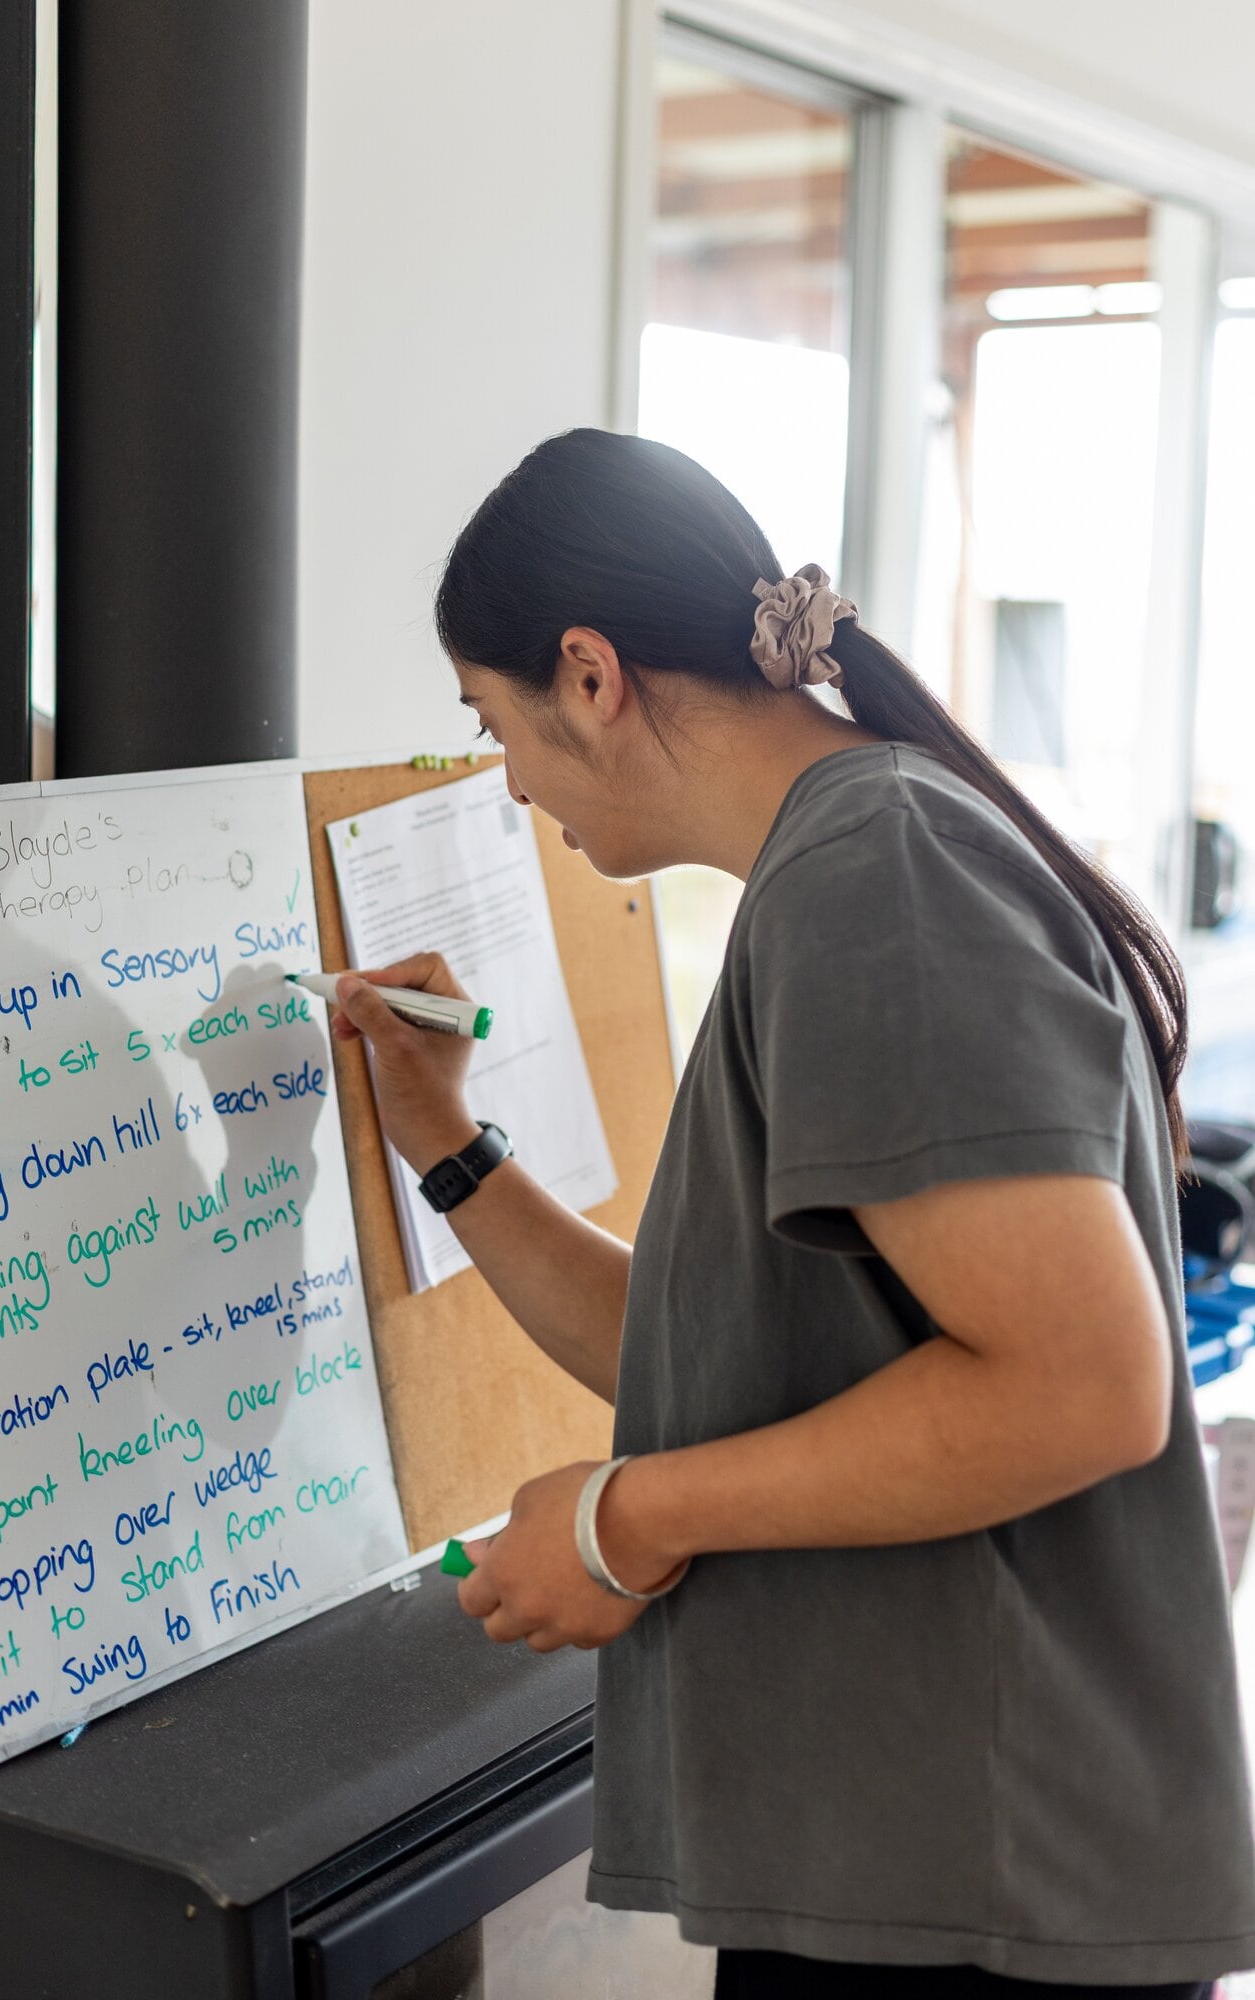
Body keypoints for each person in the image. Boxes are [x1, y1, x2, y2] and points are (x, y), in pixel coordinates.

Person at [330, 429, 1255, 1998]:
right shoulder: (847, 866)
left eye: (497, 725)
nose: (509, 777)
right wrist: (448, 1149)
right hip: (932, 1873)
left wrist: (625, 1522)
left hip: (981, 1897)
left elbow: (1077, 1385)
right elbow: (705, 1358)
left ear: (590, 673)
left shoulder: (874, 876)